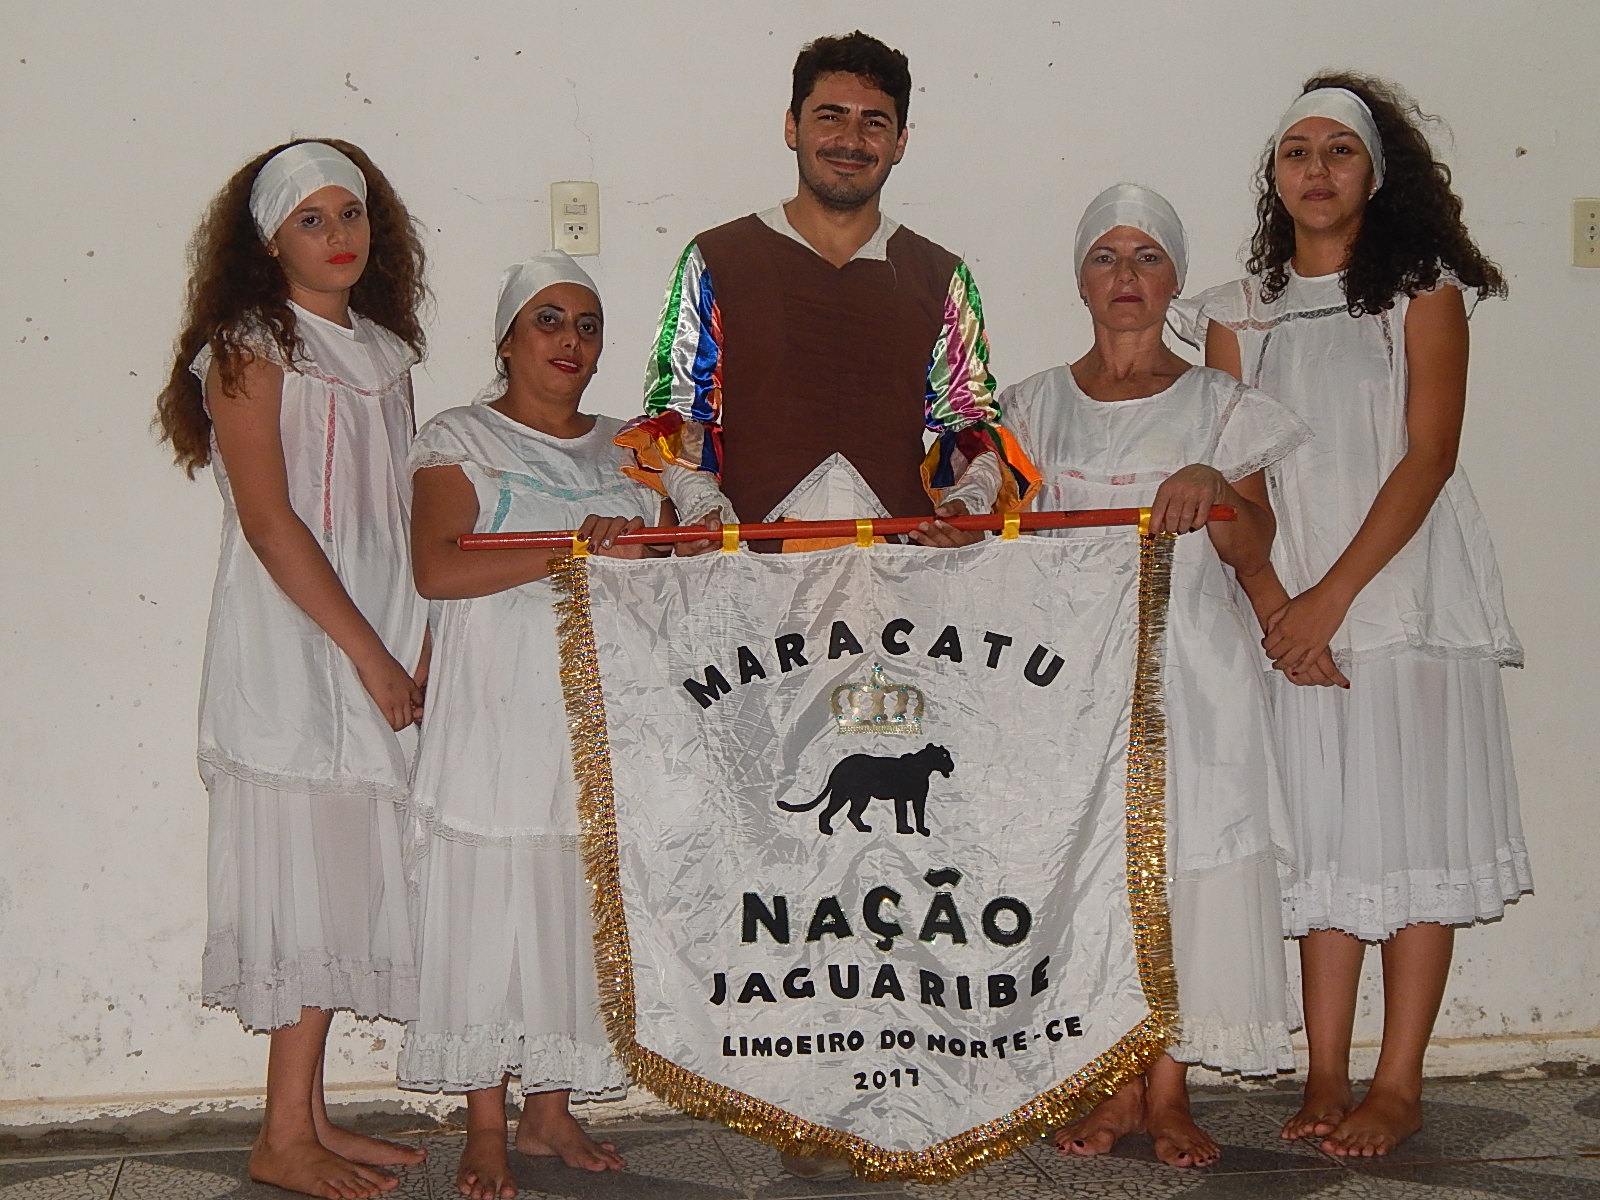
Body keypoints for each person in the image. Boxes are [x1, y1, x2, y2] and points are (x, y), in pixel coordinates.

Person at [1197, 74, 1529, 1157]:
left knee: (1412, 831)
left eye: (1339, 151)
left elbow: (1428, 456)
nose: (1316, 170)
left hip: (1406, 606)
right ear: (1275, 176)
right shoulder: (1237, 313)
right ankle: (1327, 1071)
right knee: (1324, 840)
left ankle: (1398, 1080)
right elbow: (1236, 480)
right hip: (1292, 618)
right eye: (1296, 152)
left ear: (1377, 175)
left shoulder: (1419, 292)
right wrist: (1278, 609)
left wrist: (1330, 601)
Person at [1000, 184, 1305, 1168]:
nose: (1125, 276)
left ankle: (1168, 1092)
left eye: (1146, 258)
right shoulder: (1029, 407)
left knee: (1178, 869)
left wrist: (1216, 491)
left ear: (1173, 280)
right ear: (1080, 278)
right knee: (1094, 870)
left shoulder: (1220, 405)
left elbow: (1254, 548)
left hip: (1193, 674)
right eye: (1106, 256)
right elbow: (993, 539)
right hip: (1071, 679)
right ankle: (1114, 1082)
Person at [155, 139, 430, 1198]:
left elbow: (393, 515)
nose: (337, 235)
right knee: (309, 877)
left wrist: (412, 638)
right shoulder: (248, 346)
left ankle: (309, 1118)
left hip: (373, 626)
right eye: (309, 220)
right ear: (269, 241)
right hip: (297, 638)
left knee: (344, 869)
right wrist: (366, 652)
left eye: (348, 213)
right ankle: (280, 1134)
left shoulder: (386, 355)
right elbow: (272, 524)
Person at [400, 252, 662, 1198]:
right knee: (489, 913)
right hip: (495, 713)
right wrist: (571, 548)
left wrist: (640, 553)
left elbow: (672, 569)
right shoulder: (460, 437)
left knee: (575, 908)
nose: (570, 341)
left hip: (596, 716)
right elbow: (439, 568)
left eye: (587, 325)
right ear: (506, 340)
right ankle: (485, 1126)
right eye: (547, 320)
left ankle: (550, 1110)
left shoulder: (636, 446)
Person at [617, 30, 1035, 552]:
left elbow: (968, 424)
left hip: (899, 569)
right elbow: (681, 414)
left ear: (900, 142)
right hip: (753, 565)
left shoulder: (941, 275)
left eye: (874, 122)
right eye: (830, 116)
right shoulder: (717, 259)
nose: (851, 140)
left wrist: (966, 505)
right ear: (792, 126)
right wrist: (704, 509)